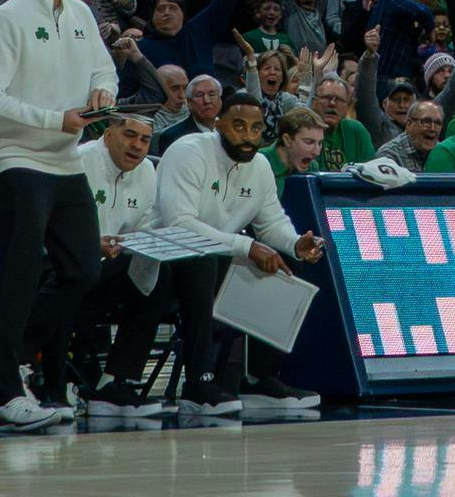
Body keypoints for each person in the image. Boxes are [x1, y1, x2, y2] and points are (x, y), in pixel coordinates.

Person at [0, 0, 117, 431]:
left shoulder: (79, 12)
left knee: (82, 270)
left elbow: (104, 67)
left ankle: (4, 350)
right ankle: (7, 394)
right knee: (22, 266)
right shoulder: (6, 18)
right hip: (16, 157)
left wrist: (103, 91)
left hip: (64, 159)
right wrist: (57, 118)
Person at [154, 91, 325, 415]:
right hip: (166, 259)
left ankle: (259, 378)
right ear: (218, 125)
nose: (248, 137)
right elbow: (179, 225)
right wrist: (246, 246)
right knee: (203, 263)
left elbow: (272, 222)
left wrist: (294, 244)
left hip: (219, 258)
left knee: (286, 264)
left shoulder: (258, 166)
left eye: (256, 129)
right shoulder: (188, 152)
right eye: (238, 126)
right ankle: (197, 385)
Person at [71, 114, 171, 416]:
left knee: (159, 271)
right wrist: (91, 243)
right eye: (130, 135)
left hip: (112, 267)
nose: (137, 146)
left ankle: (117, 379)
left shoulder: (148, 172)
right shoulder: (77, 161)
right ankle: (76, 376)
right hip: (67, 265)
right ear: (108, 134)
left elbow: (145, 226)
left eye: (144, 140)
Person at [267, 104, 326, 188]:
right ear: (287, 140)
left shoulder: (312, 167)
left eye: (320, 143)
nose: (316, 152)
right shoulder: (259, 162)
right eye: (309, 142)